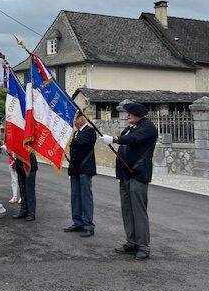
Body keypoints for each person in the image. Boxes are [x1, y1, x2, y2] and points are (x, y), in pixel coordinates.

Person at [100, 102, 158, 260]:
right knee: (127, 209)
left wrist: (114, 139)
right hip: (125, 175)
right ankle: (132, 241)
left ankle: (144, 246)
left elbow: (133, 140)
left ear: (138, 113)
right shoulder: (130, 127)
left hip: (138, 174)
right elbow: (127, 138)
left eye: (130, 113)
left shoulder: (148, 127)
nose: (127, 116)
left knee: (139, 211)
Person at [64, 112, 97, 237]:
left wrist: (67, 140)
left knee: (86, 197)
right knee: (75, 196)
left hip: (85, 169)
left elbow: (80, 143)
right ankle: (77, 222)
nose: (74, 122)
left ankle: (88, 225)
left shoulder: (89, 131)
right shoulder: (76, 133)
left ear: (82, 119)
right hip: (75, 170)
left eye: (75, 119)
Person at [12, 153, 37, 222]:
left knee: (30, 191)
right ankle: (23, 211)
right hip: (20, 166)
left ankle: (31, 213)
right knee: (22, 190)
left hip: (30, 165)